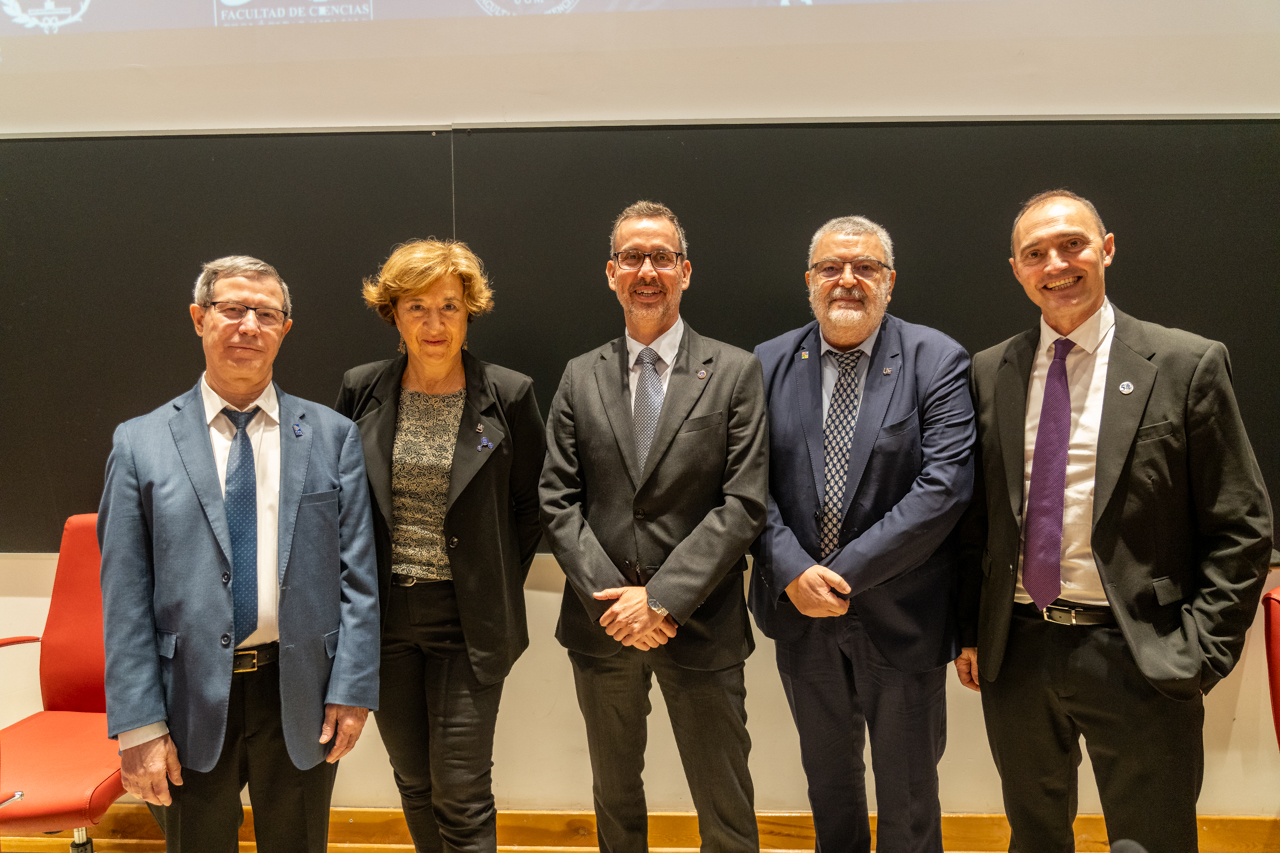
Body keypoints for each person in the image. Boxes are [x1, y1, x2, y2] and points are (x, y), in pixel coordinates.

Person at [956, 190, 1273, 851]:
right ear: (1016, 268)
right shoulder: (989, 372)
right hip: (1019, 652)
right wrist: (970, 629)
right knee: (1034, 836)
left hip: (1140, 653)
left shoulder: (1186, 364)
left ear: (1106, 248)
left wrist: (1200, 653)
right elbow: (976, 521)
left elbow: (1242, 523)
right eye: (1035, 253)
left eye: (1073, 244)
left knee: (1152, 839)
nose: (1056, 264)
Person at [98, 256, 380, 853]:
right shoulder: (139, 443)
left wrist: (353, 690)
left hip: (302, 694)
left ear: (285, 329)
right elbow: (123, 597)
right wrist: (138, 726)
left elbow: (360, 577)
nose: (249, 324)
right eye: (232, 309)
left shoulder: (333, 436)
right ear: (200, 319)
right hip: (187, 702)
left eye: (266, 313)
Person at [539, 200, 769, 853]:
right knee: (615, 799)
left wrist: (660, 599)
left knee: (725, 804)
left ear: (685, 271)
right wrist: (620, 603)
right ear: (610, 272)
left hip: (701, 621)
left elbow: (743, 502)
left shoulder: (734, 372)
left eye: (661, 257)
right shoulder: (580, 376)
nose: (647, 270)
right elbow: (558, 497)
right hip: (602, 623)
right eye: (632, 257)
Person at [749, 216, 975, 853]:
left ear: (890, 281)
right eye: (830, 268)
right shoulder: (765, 362)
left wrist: (838, 573)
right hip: (801, 615)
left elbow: (945, 488)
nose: (847, 280)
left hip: (902, 618)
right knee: (829, 788)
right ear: (810, 281)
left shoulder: (937, 359)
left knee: (908, 798)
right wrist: (795, 571)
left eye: (865, 268)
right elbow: (745, 487)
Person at [334, 239, 545, 853]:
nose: (434, 324)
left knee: (460, 787)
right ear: (392, 313)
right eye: (417, 307)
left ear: (469, 311)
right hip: (386, 620)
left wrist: (492, 573)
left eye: (449, 307)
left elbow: (531, 509)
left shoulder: (508, 394)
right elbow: (342, 503)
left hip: (469, 620)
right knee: (416, 780)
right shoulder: (360, 390)